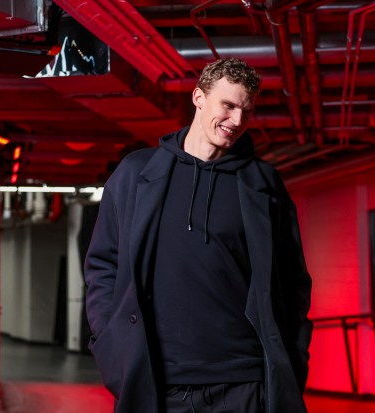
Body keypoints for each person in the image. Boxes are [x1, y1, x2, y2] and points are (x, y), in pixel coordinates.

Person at [84, 58, 312, 413]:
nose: (237, 121)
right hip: (158, 382)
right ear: (199, 98)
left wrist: (294, 355)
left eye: (246, 111)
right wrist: (109, 341)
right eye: (229, 105)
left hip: (244, 383)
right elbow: (103, 265)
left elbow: (293, 280)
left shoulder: (262, 184)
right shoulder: (136, 173)